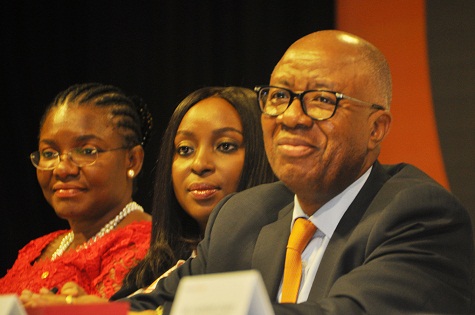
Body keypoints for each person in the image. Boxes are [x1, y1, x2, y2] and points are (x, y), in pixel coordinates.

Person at [122, 30, 474, 314]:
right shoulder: (241, 215)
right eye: (279, 96)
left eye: (322, 100)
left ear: (375, 129)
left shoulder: (419, 216)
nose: (291, 117)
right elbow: (145, 305)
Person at [19, 86, 276, 306]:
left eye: (225, 146)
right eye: (185, 149)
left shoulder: (283, 249)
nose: (200, 164)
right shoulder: (169, 262)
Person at [0, 83, 153, 299]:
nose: (62, 169)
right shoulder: (38, 248)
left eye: (87, 151)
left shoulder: (147, 244)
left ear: (132, 160)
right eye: (50, 153)